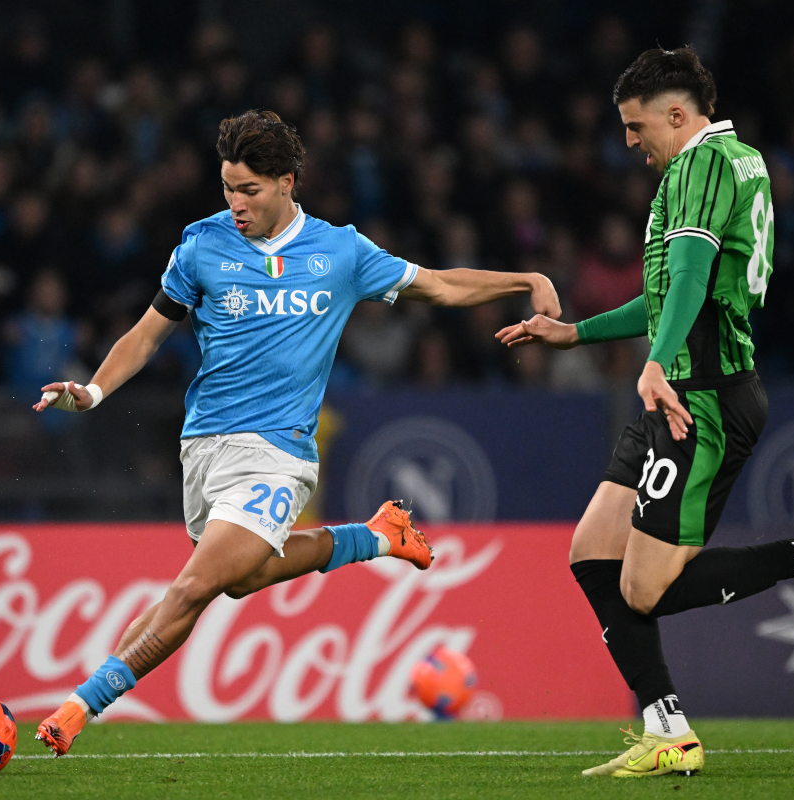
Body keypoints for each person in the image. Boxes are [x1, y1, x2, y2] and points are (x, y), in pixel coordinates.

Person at [32, 109, 560, 754]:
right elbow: (147, 333)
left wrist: (526, 280)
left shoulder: (341, 252)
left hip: (277, 454)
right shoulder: (200, 245)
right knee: (240, 579)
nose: (235, 204)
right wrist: (91, 391)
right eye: (227, 187)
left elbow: (442, 286)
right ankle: (374, 536)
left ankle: (77, 708)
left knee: (193, 587)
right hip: (204, 449)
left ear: (286, 182)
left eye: (249, 190)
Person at [496, 47, 794, 778]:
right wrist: (576, 333)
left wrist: (655, 363)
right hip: (684, 386)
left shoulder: (701, 166)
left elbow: (687, 275)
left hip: (702, 398)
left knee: (643, 587)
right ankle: (669, 730)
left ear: (677, 115)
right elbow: (670, 292)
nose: (630, 143)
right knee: (592, 550)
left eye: (635, 126)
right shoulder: (738, 161)